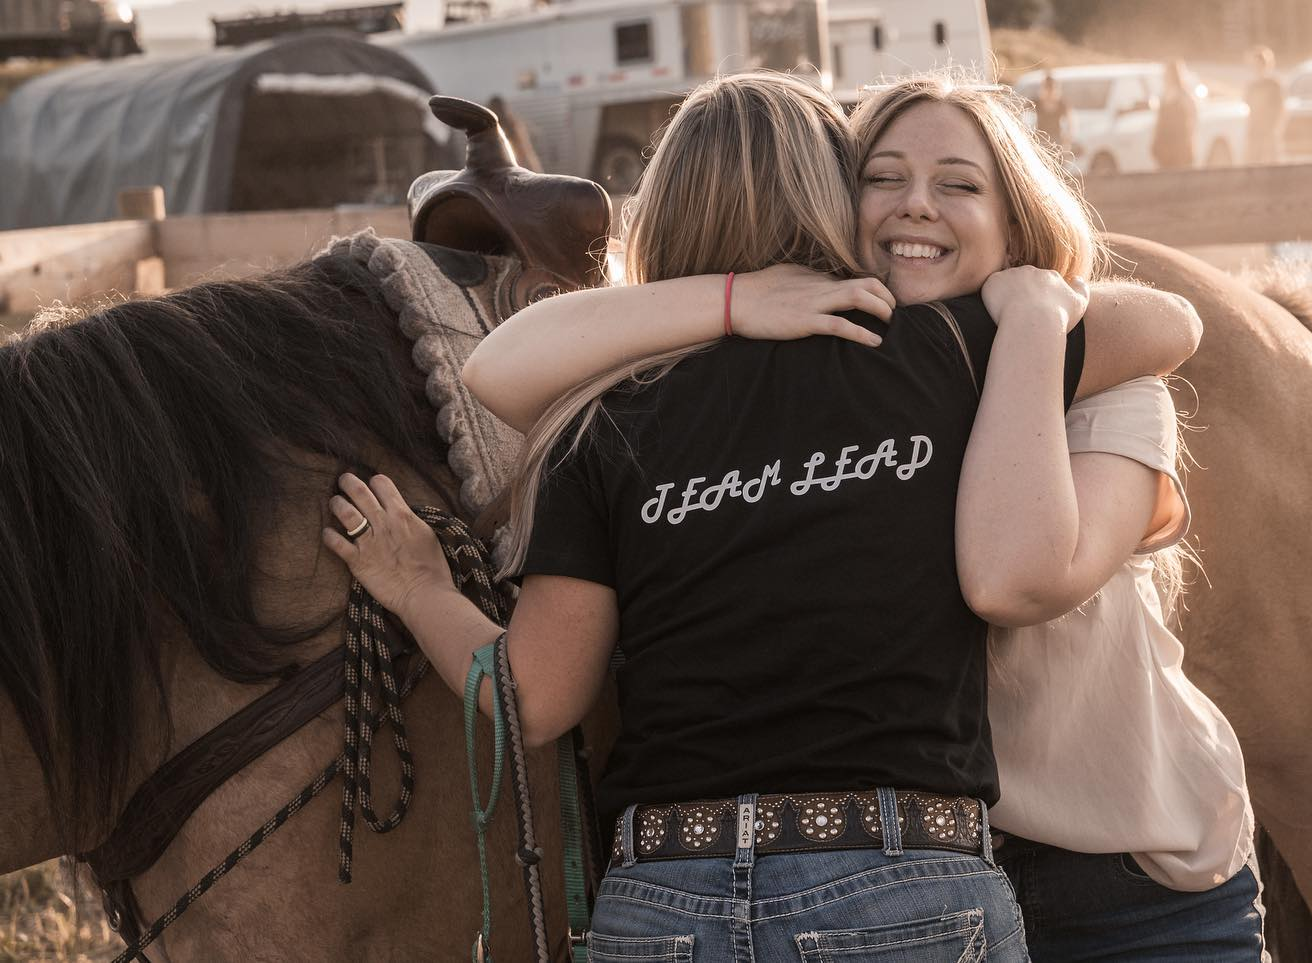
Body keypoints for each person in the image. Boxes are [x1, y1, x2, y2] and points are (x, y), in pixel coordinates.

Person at [324, 71, 1196, 961]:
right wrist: (1035, 307)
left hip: (665, 899)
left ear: (655, 221)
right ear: (832, 200)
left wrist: (419, 585)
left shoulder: (602, 420)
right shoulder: (933, 353)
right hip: (896, 886)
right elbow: (1171, 324)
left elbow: (535, 701)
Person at [1152, 59, 1198, 170]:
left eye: (1167, 74)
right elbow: (1159, 122)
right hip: (1164, 150)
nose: (1165, 77)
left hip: (1180, 149)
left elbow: (1193, 119)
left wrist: (1188, 142)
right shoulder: (1164, 97)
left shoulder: (1184, 96)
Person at [1244, 46, 1285, 164]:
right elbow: (1247, 108)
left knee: (1271, 163)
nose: (1257, 67)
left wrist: (1274, 129)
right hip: (1254, 133)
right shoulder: (1251, 86)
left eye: (1259, 64)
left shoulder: (1274, 85)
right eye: (1254, 64)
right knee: (1254, 163)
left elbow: (1280, 109)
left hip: (1269, 133)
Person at [1033, 70, 1072, 150]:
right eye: (1047, 87)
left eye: (1051, 88)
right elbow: (1022, 114)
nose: (1049, 91)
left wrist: (1067, 140)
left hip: (1056, 141)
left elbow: (1070, 123)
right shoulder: (1036, 103)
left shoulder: (1062, 104)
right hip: (1039, 140)